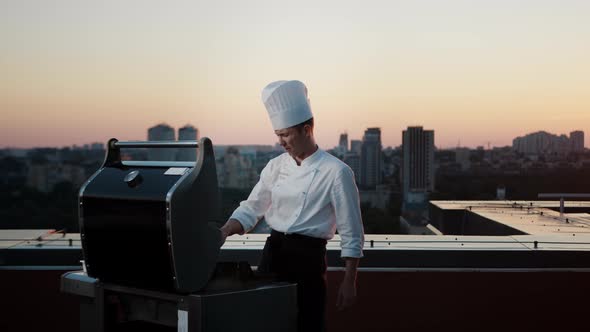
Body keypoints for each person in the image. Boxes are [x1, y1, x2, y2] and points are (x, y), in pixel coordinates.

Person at [220, 80, 364, 332]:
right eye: (278, 136)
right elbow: (251, 208)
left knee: (306, 323)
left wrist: (349, 281)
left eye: (286, 135)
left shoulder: (337, 172)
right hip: (273, 253)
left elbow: (352, 233)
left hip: (308, 259)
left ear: (307, 130)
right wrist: (223, 231)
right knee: (266, 322)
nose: (281, 142)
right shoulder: (276, 166)